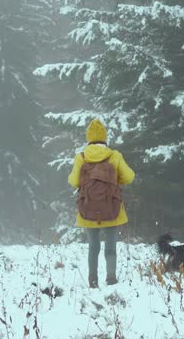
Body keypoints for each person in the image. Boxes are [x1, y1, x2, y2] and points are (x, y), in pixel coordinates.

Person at [68, 119, 135, 288]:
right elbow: (129, 177)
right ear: (104, 138)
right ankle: (111, 277)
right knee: (111, 246)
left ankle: (92, 280)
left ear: (89, 138)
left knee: (93, 246)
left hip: (88, 208)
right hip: (111, 207)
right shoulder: (115, 156)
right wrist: (113, 180)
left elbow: (74, 181)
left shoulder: (81, 158)